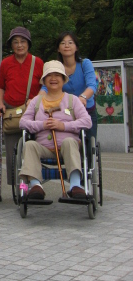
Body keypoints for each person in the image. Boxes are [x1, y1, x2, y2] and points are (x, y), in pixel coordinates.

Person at [18, 61, 92, 200]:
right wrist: (42, 125)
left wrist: (63, 126)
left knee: (70, 141)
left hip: (67, 146)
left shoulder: (73, 100)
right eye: (49, 75)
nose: (53, 78)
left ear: (63, 79)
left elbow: (87, 122)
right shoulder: (36, 101)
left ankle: (75, 185)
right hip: (43, 148)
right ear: (44, 80)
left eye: (57, 75)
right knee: (29, 145)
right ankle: (35, 186)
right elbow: (23, 122)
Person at [0, 27, 43, 185]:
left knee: (34, 147)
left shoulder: (38, 62)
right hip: (11, 111)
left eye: (23, 41)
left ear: (28, 43)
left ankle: (35, 182)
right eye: (15, 42)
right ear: (11, 45)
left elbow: (45, 86)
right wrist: (0, 103)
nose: (19, 45)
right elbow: (0, 85)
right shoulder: (5, 63)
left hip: (33, 111)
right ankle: (19, 185)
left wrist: (36, 99)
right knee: (12, 151)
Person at [47, 32, 98, 145]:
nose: (67, 45)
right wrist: (36, 101)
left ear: (76, 47)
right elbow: (46, 87)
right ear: (58, 49)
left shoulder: (85, 64)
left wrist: (83, 97)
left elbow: (92, 85)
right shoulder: (56, 68)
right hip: (66, 113)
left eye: (70, 43)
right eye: (63, 43)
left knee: (89, 144)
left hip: (87, 109)